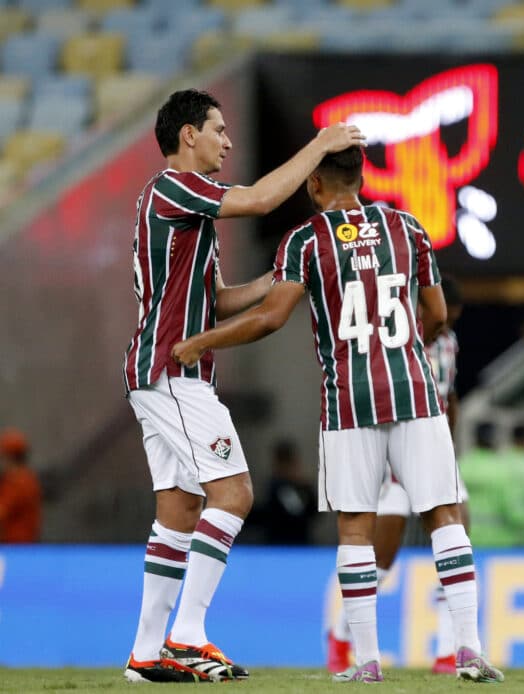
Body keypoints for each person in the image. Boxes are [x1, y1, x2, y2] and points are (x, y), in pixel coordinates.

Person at [170, 146, 503, 683]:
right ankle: (469, 648)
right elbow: (438, 313)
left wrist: (202, 341)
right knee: (444, 515)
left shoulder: (306, 240)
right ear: (363, 176)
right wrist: (407, 352)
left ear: (314, 184)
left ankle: (366, 662)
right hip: (416, 393)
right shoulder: (408, 228)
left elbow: (272, 316)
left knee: (354, 528)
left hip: (349, 400)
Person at [122, 88, 365, 683]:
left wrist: (280, 277)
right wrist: (322, 144)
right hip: (173, 372)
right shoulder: (173, 187)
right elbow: (257, 200)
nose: (228, 141)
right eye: (219, 130)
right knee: (233, 495)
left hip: (163, 371)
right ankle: (189, 635)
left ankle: (146, 654)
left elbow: (217, 300)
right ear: (188, 137)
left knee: (178, 511)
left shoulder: (187, 212)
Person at [327, 275, 469, 676]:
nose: (445, 324)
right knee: (383, 561)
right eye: (441, 316)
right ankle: (341, 633)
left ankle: (447, 651)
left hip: (436, 451)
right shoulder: (394, 344)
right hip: (398, 455)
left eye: (451, 318)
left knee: (456, 541)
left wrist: (451, 446)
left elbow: (449, 395)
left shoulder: (448, 343)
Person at [252, 438, 317, 545]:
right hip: (279, 543)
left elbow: (304, 513)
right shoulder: (277, 485)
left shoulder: (296, 487)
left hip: (296, 543)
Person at [0, 428, 42, 543]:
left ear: (8, 457)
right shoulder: (30, 479)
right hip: (28, 543)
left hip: (15, 546)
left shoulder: (16, 481)